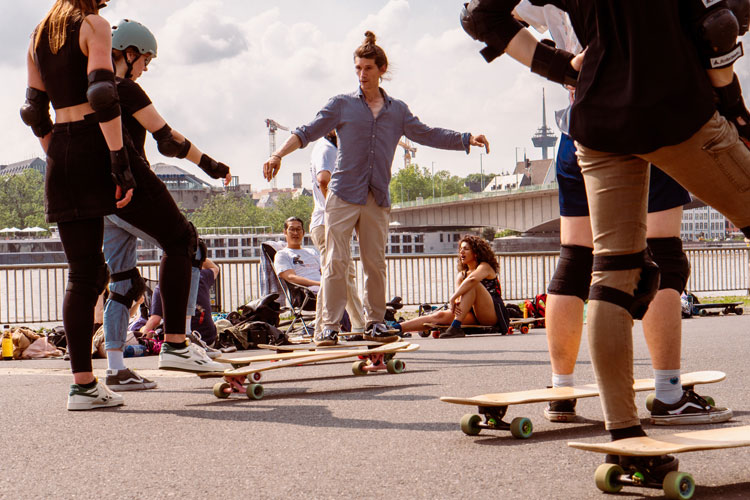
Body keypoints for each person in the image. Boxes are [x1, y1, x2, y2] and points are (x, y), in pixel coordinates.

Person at [460, 0, 750, 474]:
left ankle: (625, 435)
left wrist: (560, 66)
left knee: (614, 271)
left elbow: (479, 14)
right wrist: (736, 111)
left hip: (595, 122)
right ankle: (667, 392)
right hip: (675, 111)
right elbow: (717, 27)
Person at [513, 1, 732, 426]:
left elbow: (488, 12)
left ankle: (562, 391)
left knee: (576, 259)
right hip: (645, 117)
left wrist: (556, 62)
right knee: (663, 253)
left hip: (577, 125)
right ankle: (669, 393)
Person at [22, 0, 219, 410]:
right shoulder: (94, 25)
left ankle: (83, 387)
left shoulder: (38, 35)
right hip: (99, 146)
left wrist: (60, 150)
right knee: (181, 238)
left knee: (85, 273)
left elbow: (33, 112)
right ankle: (177, 345)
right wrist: (118, 162)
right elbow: (101, 93)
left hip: (60, 152)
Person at [263, 31, 490, 346]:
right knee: (336, 262)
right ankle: (327, 327)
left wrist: (466, 138)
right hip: (342, 195)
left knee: (374, 263)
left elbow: (428, 134)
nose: (361, 75)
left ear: (382, 70)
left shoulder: (397, 111)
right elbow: (307, 131)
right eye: (357, 68)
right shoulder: (341, 105)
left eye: (368, 68)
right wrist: (278, 154)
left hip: (376, 196)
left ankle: (374, 323)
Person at [100, 18, 230, 390]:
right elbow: (167, 139)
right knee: (186, 243)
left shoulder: (88, 90)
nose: (145, 69)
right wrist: (209, 164)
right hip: (134, 185)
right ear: (128, 54)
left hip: (102, 197)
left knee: (124, 282)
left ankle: (115, 368)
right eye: (145, 61)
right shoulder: (124, 89)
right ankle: (181, 340)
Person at [309, 131, 367, 340]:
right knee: (333, 277)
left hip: (330, 223)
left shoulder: (331, 148)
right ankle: (320, 330)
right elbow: (324, 180)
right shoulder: (326, 149)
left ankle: (360, 326)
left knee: (345, 276)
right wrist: (337, 211)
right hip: (327, 223)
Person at [399, 235, 510, 338]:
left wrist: (452, 298)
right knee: (439, 316)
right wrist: (454, 305)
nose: (461, 251)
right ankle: (397, 328)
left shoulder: (485, 266)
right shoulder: (462, 275)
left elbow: (472, 280)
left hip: (491, 314)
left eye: (466, 249)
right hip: (471, 314)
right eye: (461, 249)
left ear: (476, 253)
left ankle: (455, 327)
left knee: (473, 285)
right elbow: (459, 301)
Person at [142, 259, 220, 350]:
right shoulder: (201, 277)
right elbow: (215, 268)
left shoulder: (161, 287)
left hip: (178, 342)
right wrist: (194, 254)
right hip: (208, 339)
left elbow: (155, 320)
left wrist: (144, 341)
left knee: (148, 328)